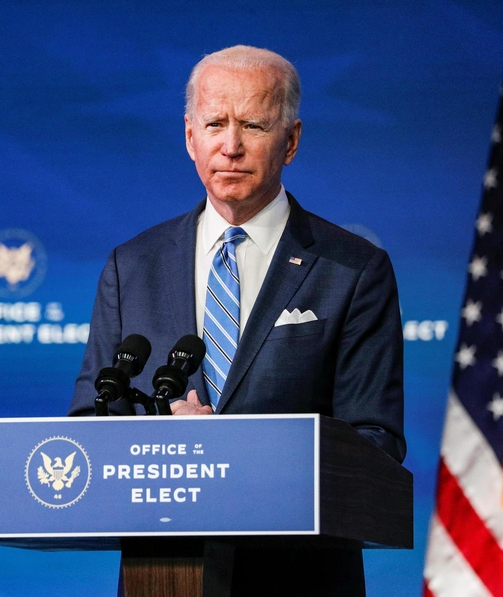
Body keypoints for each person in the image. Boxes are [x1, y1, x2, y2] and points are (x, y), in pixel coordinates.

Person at [69, 46, 405, 595]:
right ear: (188, 137)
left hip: (302, 577)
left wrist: (227, 454)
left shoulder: (352, 269)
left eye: (253, 124)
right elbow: (91, 422)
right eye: (215, 123)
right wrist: (166, 451)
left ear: (291, 141)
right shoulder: (131, 266)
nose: (231, 146)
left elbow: (374, 444)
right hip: (164, 573)